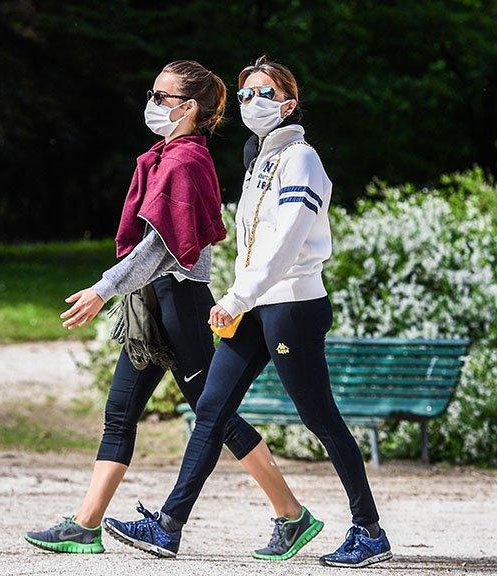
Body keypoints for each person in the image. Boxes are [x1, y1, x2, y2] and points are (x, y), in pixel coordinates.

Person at [24, 60, 321, 561]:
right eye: (153, 93)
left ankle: (291, 514)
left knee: (215, 414)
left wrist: (104, 288)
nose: (152, 103)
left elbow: (163, 247)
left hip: (181, 304)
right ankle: (84, 525)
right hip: (151, 301)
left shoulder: (187, 163)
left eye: (161, 97)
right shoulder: (165, 156)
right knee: (120, 411)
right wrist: (121, 290)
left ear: (188, 108)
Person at [102, 56, 393, 568]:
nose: (252, 102)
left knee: (319, 417)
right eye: (245, 95)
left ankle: (368, 530)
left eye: (264, 93)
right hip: (255, 306)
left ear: (289, 103)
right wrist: (237, 295)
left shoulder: (302, 159)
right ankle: (168, 527)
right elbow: (249, 242)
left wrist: (237, 297)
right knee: (210, 411)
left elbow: (285, 244)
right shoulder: (259, 159)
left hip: (292, 307)